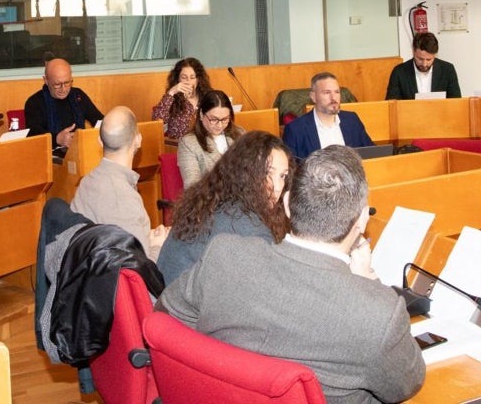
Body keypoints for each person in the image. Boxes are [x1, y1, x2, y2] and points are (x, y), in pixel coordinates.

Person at [159, 146, 425, 403]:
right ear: (362, 220)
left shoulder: (223, 253)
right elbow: (406, 385)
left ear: (287, 204)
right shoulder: (378, 312)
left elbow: (164, 318)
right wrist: (368, 283)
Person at [157, 130, 291, 283]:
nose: (278, 186)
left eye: (283, 176)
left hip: (167, 298)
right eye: (267, 173)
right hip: (186, 304)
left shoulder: (207, 201)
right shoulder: (250, 228)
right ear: (245, 172)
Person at [70, 106, 169, 261]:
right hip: (114, 279)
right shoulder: (124, 198)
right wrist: (158, 245)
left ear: (100, 142)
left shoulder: (86, 182)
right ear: (138, 140)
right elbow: (140, 272)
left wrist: (148, 236)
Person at [282, 72, 375, 160]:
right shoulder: (296, 129)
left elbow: (372, 154)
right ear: (313, 97)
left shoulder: (352, 120)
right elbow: (291, 169)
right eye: (327, 92)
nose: (333, 98)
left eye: (337, 92)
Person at [25, 57, 104, 151]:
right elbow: (33, 137)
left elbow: (99, 120)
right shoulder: (34, 103)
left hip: (79, 152)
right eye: (57, 84)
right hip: (50, 156)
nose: (63, 89)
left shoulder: (78, 96)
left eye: (67, 83)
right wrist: (57, 139)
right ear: (46, 80)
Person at [177, 91, 244, 187]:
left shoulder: (240, 134)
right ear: (201, 114)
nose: (220, 125)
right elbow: (192, 186)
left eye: (225, 119)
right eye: (213, 119)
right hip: (210, 199)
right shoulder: (188, 143)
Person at [384, 32, 462, 99]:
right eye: (420, 59)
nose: (424, 64)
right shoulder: (399, 72)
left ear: (435, 55)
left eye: (429, 60)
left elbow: (456, 103)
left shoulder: (447, 70)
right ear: (413, 51)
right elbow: (392, 104)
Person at [152, 56, 212, 140]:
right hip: (177, 147)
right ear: (178, 79)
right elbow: (157, 120)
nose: (188, 81)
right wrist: (171, 92)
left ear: (198, 79)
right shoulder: (171, 99)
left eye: (192, 77)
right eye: (184, 77)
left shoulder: (206, 98)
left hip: (204, 144)